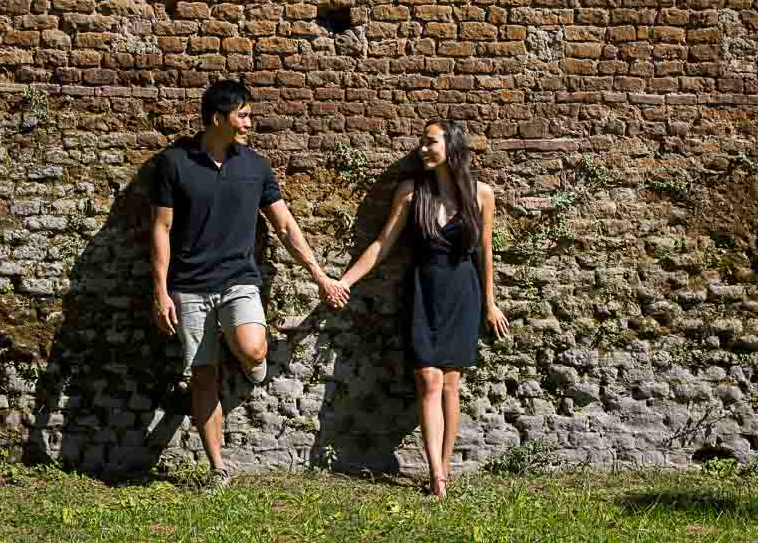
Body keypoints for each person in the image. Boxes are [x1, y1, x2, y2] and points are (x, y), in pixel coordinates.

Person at [150, 80, 349, 489]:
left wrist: (318, 274)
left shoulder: (255, 167)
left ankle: (252, 364)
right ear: (217, 118)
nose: (249, 123)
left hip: (239, 279)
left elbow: (285, 226)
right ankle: (218, 467)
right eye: (242, 115)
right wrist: (160, 290)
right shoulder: (174, 163)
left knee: (252, 347)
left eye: (249, 115)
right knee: (203, 373)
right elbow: (161, 228)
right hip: (189, 286)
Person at [333, 119, 510, 498]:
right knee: (428, 379)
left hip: (463, 293)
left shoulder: (481, 194)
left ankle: (444, 467)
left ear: (452, 146)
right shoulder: (411, 192)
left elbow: (486, 253)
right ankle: (436, 476)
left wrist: (490, 304)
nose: (423, 149)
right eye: (421, 143)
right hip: (422, 291)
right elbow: (382, 245)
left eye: (431, 142)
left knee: (450, 384)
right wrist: (344, 281)